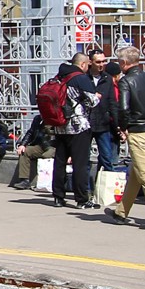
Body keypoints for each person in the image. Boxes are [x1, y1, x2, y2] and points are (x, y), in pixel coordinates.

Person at [106, 46, 145, 230]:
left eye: (119, 62)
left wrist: (123, 128)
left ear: (124, 63)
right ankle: (121, 212)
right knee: (136, 172)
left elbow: (124, 108)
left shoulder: (126, 81)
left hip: (139, 132)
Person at [43, 60, 96, 209]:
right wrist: (97, 96)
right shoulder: (80, 78)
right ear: (83, 64)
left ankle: (58, 197)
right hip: (79, 126)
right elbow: (93, 101)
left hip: (60, 126)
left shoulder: (58, 78)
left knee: (59, 162)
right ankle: (82, 199)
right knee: (80, 163)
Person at [84, 48, 122, 176]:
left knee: (107, 157)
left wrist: (117, 125)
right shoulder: (84, 78)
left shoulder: (107, 79)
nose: (101, 65)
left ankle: (108, 189)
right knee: (84, 159)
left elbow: (113, 103)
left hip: (103, 123)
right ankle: (86, 191)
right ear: (90, 62)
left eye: (104, 62)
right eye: (98, 62)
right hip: (86, 123)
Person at [9, 113, 51, 190]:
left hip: (53, 146)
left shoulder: (58, 118)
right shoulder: (38, 119)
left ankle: (50, 183)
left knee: (46, 155)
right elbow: (30, 132)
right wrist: (23, 144)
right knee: (25, 151)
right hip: (40, 146)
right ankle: (24, 181)